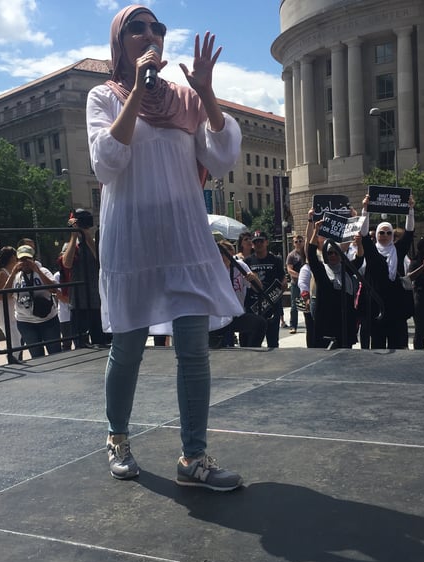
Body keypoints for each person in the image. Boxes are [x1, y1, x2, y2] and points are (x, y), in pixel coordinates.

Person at [87, 5, 243, 490]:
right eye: (138, 27)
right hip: (132, 241)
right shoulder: (103, 96)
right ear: (120, 41)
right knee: (128, 347)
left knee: (193, 350)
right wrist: (137, 89)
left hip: (184, 238)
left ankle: (193, 457)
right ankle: (117, 437)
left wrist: (207, 93)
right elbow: (106, 164)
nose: (150, 34)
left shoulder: (186, 100)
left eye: (157, 27)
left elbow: (221, 156)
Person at [359, 194, 416, 349]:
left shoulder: (397, 250)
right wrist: (365, 210)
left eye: (388, 233)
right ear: (376, 235)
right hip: (376, 306)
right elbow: (363, 234)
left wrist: (410, 210)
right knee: (377, 344)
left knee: (398, 345)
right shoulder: (372, 251)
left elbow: (409, 232)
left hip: (396, 306)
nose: (385, 236)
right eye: (381, 233)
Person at [59, 209, 109, 348]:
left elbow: (99, 259)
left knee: (101, 342)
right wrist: (74, 236)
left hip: (97, 301)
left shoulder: (96, 243)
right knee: (80, 344)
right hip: (78, 302)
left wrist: (85, 234)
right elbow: (67, 263)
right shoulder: (72, 246)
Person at [307, 220, 360, 348]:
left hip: (345, 321)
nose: (333, 255)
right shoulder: (321, 270)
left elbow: (360, 259)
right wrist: (316, 231)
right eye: (329, 252)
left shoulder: (345, 269)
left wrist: (360, 243)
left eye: (336, 252)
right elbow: (311, 254)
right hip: (326, 321)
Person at [5, 245, 61, 359]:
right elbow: (5, 295)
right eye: (21, 260)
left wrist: (38, 271)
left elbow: (54, 289)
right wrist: (13, 273)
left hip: (48, 319)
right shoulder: (15, 276)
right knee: (36, 357)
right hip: (25, 322)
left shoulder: (43, 271)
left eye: (28, 259)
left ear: (34, 259)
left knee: (55, 354)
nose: (25, 263)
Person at [209, 240, 266, 348]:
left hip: (236, 314)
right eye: (220, 252)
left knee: (259, 323)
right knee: (222, 343)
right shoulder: (213, 268)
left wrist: (254, 279)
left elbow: (258, 288)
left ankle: (252, 353)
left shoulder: (239, 266)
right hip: (218, 316)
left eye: (226, 252)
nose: (222, 255)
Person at [245, 230, 287, 348]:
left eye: (261, 241)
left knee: (273, 341)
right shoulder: (247, 261)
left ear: (266, 242)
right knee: (254, 342)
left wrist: (284, 284)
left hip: (272, 304)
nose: (258, 244)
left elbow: (283, 278)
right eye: (256, 242)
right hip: (254, 306)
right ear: (252, 244)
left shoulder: (276, 260)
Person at [0, 246, 24, 363]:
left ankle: (13, 358)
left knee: (17, 336)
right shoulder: (2, 272)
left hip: (11, 309)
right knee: (15, 337)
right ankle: (12, 359)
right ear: (12, 257)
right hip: (2, 310)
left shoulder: (11, 272)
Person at [286, 234, 305, 334]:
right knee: (294, 305)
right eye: (296, 242)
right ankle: (293, 326)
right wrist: (300, 276)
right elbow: (289, 269)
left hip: (307, 284)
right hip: (295, 283)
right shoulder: (291, 255)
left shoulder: (307, 253)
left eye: (300, 241)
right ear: (293, 244)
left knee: (309, 304)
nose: (298, 243)